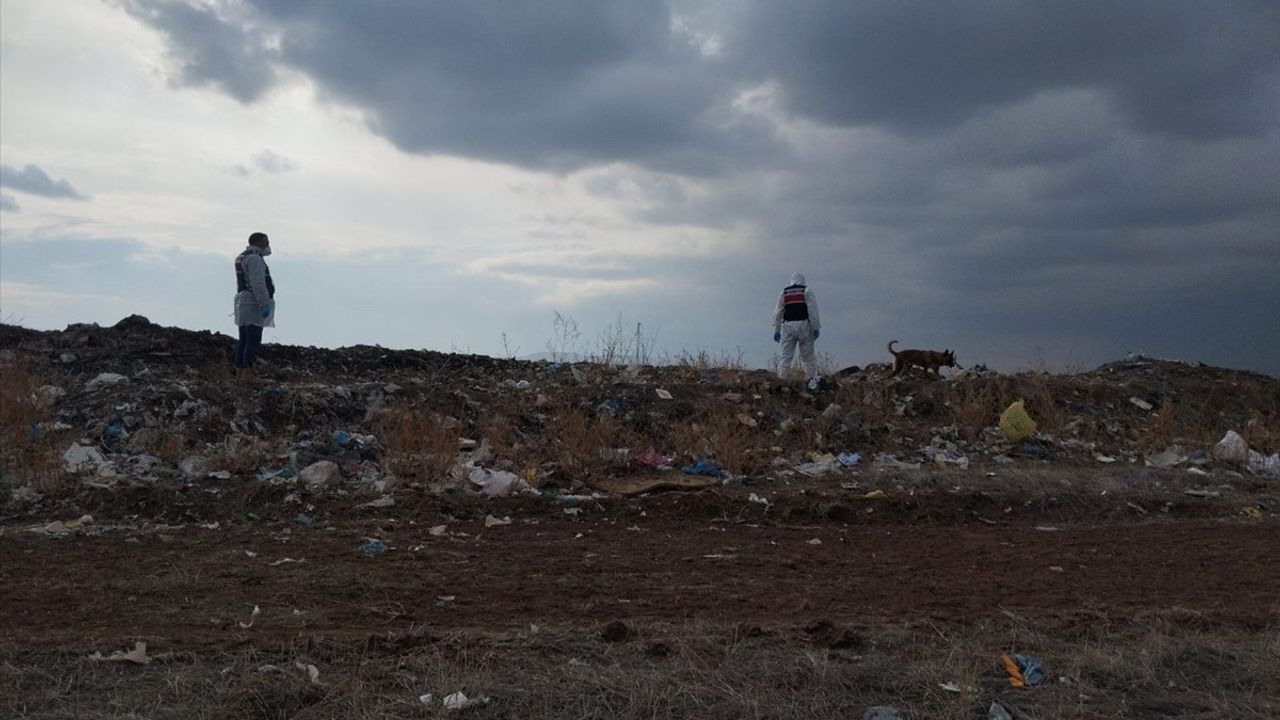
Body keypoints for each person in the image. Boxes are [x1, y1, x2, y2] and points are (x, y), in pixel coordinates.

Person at [233, 232, 275, 376]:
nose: (268, 245)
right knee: (253, 339)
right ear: (258, 242)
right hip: (253, 303)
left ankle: (239, 372)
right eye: (266, 242)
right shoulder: (255, 259)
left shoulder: (242, 257)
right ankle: (247, 374)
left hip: (243, 301)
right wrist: (264, 303)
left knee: (244, 339)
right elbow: (258, 284)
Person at [772, 272, 821, 390]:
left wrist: (776, 329)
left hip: (788, 326)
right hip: (804, 325)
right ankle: (811, 382)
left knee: (785, 356)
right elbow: (812, 310)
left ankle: (782, 381)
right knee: (808, 356)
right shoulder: (807, 291)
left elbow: (778, 312)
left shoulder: (784, 292)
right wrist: (816, 327)